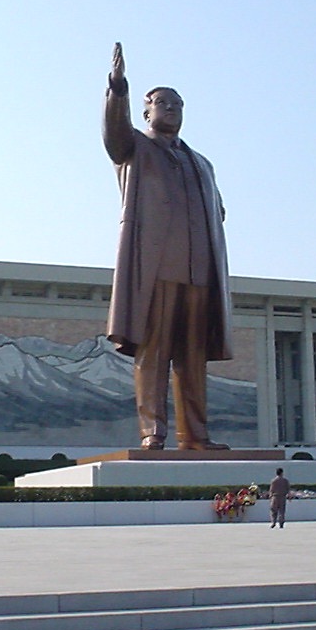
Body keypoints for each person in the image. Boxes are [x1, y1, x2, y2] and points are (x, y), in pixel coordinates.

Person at [102, 43, 233, 452]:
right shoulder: (136, 149)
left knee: (193, 358)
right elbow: (114, 132)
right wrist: (118, 88)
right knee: (154, 352)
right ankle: (152, 431)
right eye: (162, 103)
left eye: (177, 104)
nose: (171, 108)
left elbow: (218, 212)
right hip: (157, 269)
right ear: (147, 113)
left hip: (200, 273)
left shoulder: (203, 164)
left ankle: (195, 434)